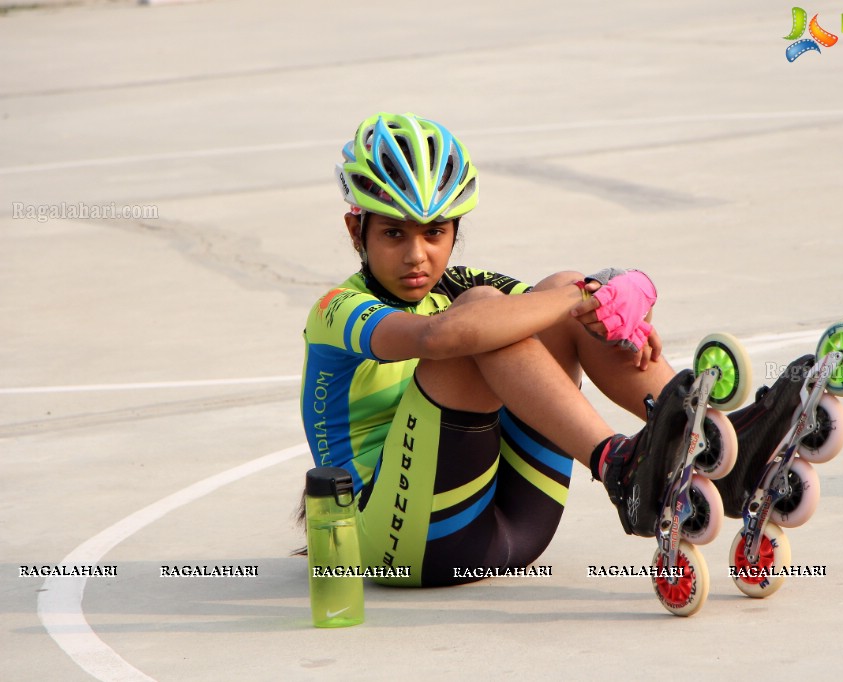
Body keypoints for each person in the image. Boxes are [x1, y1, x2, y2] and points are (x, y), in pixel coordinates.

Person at [300, 112, 805, 587]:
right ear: (355, 230)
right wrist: (582, 296)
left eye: (435, 233)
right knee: (487, 316)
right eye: (393, 233)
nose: (417, 255)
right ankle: (619, 467)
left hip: (518, 526)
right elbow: (438, 338)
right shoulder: (336, 309)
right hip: (397, 547)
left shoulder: (456, 284)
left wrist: (620, 305)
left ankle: (714, 447)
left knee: (550, 298)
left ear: (454, 231)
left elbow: (567, 307)